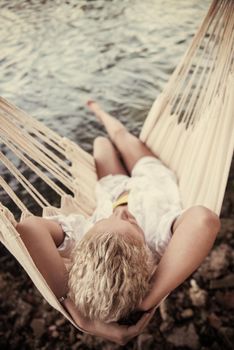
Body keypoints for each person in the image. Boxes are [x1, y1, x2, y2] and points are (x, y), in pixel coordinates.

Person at [16, 101, 220, 345]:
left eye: (105, 221)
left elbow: (28, 228)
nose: (121, 214)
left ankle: (97, 110)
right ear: (146, 259)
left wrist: (75, 311)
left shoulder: (81, 239)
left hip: (113, 187)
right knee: (120, 135)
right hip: (150, 177)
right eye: (131, 225)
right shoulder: (158, 241)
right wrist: (149, 299)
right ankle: (101, 111)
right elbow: (204, 220)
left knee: (100, 144)